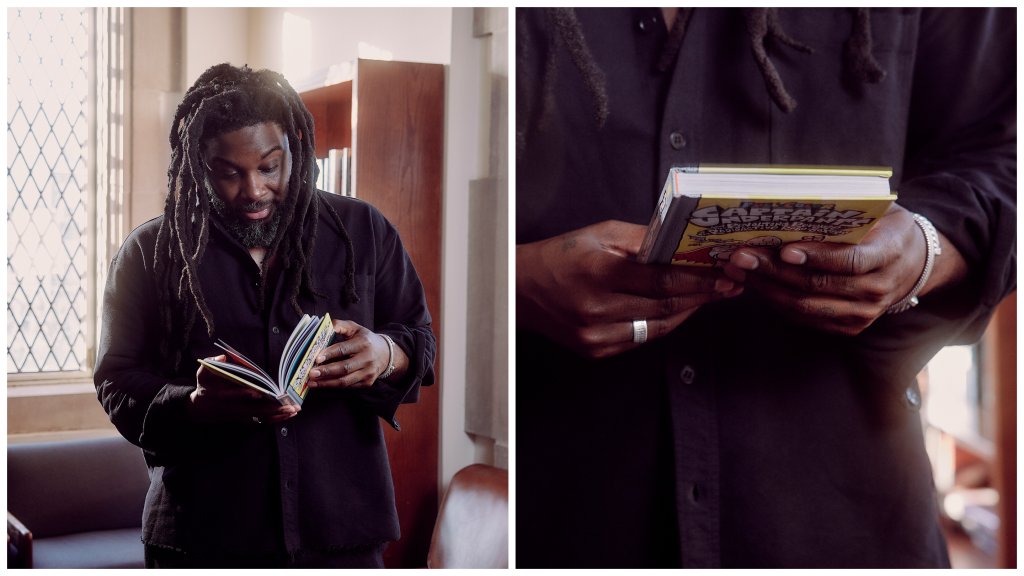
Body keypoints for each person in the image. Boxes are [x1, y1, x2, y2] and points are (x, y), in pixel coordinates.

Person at [516, 8, 1014, 568]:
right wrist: (510, 287)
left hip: (841, 514)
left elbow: (999, 149)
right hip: (561, 508)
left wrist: (926, 250)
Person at [94, 63, 436, 568]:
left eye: (270, 167)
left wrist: (386, 354)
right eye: (229, 172)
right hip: (202, 536)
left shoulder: (364, 230)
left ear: (294, 150)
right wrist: (191, 405)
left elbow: (420, 341)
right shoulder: (151, 251)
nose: (253, 190)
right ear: (197, 165)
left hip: (342, 532)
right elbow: (116, 382)